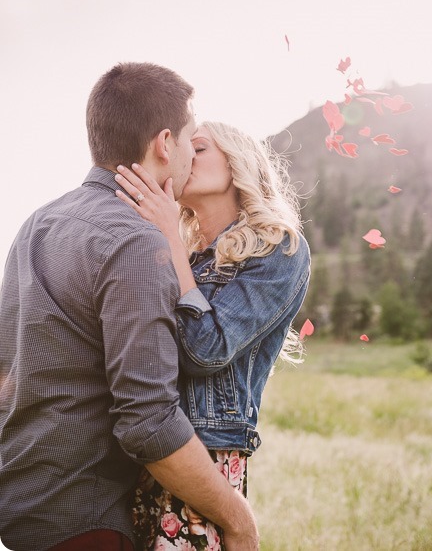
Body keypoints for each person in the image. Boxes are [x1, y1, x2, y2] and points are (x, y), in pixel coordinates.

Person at [0, 63, 259, 551]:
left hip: (19, 508)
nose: (189, 151)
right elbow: (148, 422)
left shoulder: (38, 222)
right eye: (188, 139)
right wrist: (238, 519)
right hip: (84, 520)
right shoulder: (134, 242)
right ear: (165, 144)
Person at [114, 120, 311, 550]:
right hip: (145, 452)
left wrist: (167, 233)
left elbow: (206, 350)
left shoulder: (279, 247)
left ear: (238, 163)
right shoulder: (186, 255)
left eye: (198, 148)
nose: (184, 157)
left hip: (205, 452)